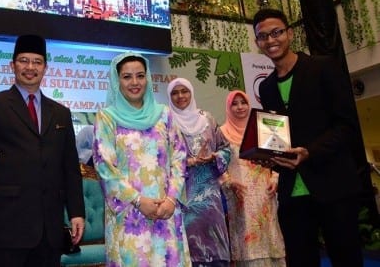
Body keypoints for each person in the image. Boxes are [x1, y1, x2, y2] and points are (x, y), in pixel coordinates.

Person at [253, 8, 363, 267]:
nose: (271, 40)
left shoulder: (323, 67)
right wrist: (270, 156)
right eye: (263, 36)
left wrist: (309, 152)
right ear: (258, 43)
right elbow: (279, 136)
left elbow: (347, 127)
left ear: (289, 33)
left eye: (276, 32)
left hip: (333, 184)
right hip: (293, 192)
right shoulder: (266, 87)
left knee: (347, 258)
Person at [0, 34, 85, 267]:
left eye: (37, 62)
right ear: (12, 65)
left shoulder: (60, 113)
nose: (30, 67)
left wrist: (76, 212)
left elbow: (70, 168)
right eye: (23, 60)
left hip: (48, 232)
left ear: (45, 67)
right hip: (5, 229)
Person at [92, 52, 191, 266]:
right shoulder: (106, 117)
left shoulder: (164, 114)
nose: (135, 82)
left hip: (166, 213)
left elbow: (179, 158)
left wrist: (171, 200)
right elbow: (104, 167)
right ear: (116, 80)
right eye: (127, 77)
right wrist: (138, 201)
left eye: (140, 75)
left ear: (147, 78)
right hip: (128, 218)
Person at [167, 77, 231, 267]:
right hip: (183, 197)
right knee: (188, 246)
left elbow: (226, 148)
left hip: (210, 198)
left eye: (184, 91)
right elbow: (162, 159)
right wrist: (189, 161)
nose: (180, 96)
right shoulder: (167, 123)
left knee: (215, 246)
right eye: (175, 93)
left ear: (191, 92)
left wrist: (214, 157)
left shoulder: (207, 119)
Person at [220, 90, 286, 266]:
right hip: (241, 198)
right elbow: (218, 167)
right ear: (228, 107)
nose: (240, 107)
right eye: (235, 103)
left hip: (265, 195)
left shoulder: (261, 130)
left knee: (271, 242)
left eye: (243, 102)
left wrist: (275, 180)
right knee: (248, 249)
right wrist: (228, 182)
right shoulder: (221, 133)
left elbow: (277, 158)